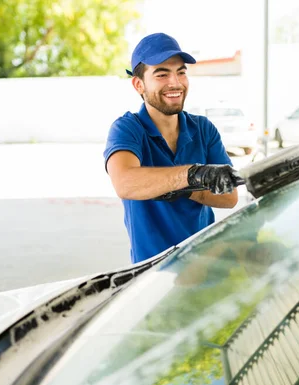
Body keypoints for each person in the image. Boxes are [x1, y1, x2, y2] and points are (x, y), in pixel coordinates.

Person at [103, 32, 242, 264]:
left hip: (205, 265)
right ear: (139, 84)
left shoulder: (203, 129)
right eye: (162, 74)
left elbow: (229, 196)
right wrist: (194, 174)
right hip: (152, 273)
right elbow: (125, 183)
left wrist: (185, 188)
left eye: (181, 72)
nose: (175, 83)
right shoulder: (127, 129)